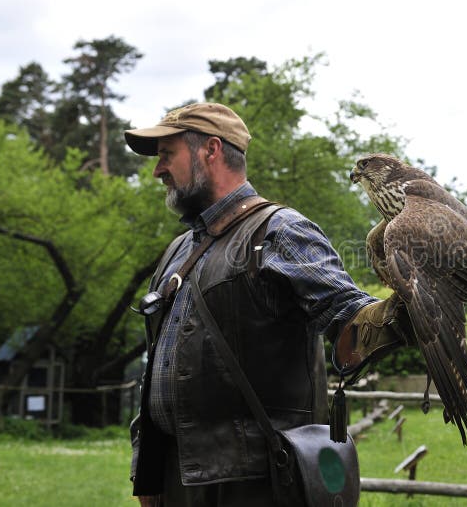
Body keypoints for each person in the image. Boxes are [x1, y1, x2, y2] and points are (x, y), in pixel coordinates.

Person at [124, 102, 412, 506]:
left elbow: (351, 320)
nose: (157, 171)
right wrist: (147, 471)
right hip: (177, 483)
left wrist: (416, 303)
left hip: (258, 484)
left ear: (211, 149)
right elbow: (157, 371)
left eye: (166, 155)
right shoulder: (177, 251)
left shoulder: (281, 231)